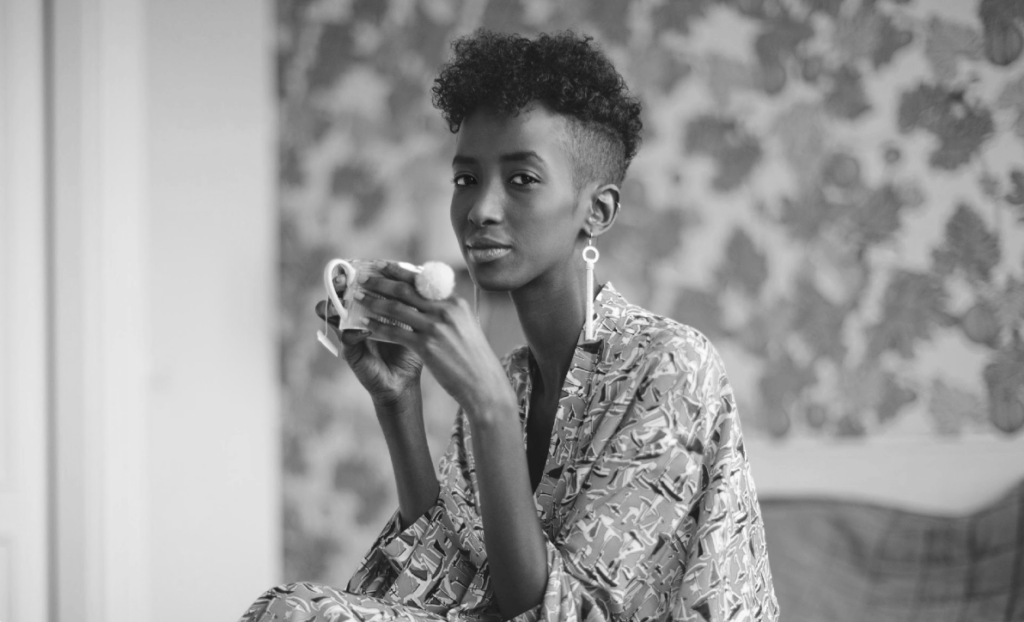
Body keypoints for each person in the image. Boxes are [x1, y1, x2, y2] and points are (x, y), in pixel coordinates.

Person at [240, 29, 779, 622]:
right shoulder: (511, 382)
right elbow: (450, 575)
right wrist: (398, 403)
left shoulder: (673, 367)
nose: (481, 208)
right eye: (466, 179)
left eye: (522, 179)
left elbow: (562, 612)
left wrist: (487, 407)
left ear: (596, 211)